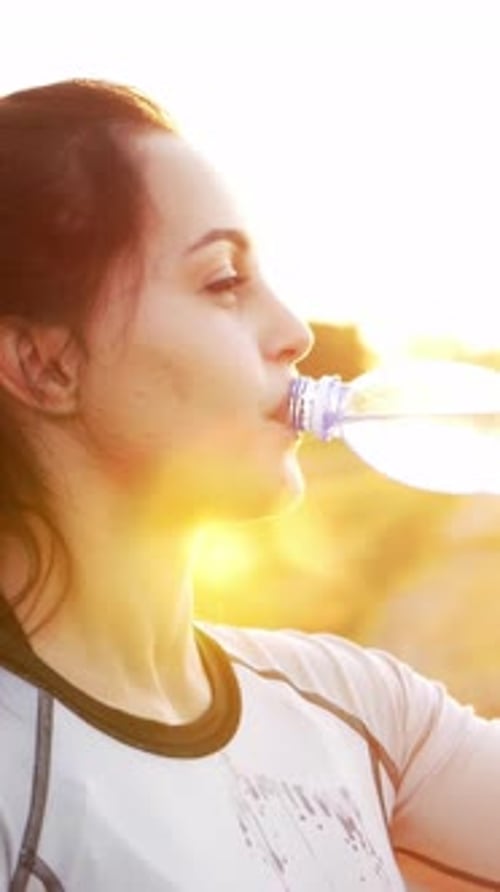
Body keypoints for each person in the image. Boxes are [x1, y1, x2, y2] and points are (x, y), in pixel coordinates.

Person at [0, 78, 498, 892]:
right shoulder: (18, 781)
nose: (296, 334)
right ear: (45, 364)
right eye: (224, 280)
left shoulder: (357, 708)